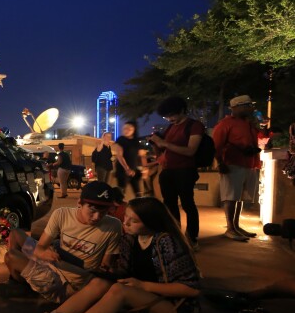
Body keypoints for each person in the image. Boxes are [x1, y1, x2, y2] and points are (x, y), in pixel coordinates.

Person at [25, 197, 204, 313]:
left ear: (151, 222)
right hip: (145, 299)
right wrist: (108, 272)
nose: (125, 223)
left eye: (133, 221)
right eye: (125, 217)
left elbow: (192, 289)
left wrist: (143, 286)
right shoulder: (130, 239)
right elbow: (125, 272)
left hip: (176, 311)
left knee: (120, 290)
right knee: (99, 282)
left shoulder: (167, 242)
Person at [0, 181, 122, 302]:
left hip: (65, 283)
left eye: (103, 212)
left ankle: (23, 283)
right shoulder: (62, 214)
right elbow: (41, 248)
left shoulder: (113, 226)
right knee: (15, 234)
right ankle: (19, 282)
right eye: (92, 210)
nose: (97, 217)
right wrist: (43, 253)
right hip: (51, 263)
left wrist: (106, 270)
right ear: (79, 203)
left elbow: (106, 265)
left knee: (11, 257)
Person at [148, 96, 204, 250]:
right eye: (167, 116)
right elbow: (162, 152)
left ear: (181, 110)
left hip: (185, 170)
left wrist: (165, 143)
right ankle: (175, 236)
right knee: (169, 205)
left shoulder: (194, 125)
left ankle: (192, 237)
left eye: (172, 115)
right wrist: (156, 144)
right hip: (168, 171)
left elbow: (191, 150)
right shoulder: (170, 128)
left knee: (188, 204)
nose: (170, 118)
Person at [212, 95, 261, 242]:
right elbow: (216, 146)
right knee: (231, 197)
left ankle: (236, 226)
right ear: (236, 107)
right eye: (247, 105)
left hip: (249, 164)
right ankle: (230, 228)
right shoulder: (225, 124)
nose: (250, 108)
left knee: (239, 197)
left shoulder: (249, 123)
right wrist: (220, 163)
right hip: (232, 164)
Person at [112, 121, 143, 198]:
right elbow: (119, 155)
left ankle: (139, 209)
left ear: (134, 129)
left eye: (129, 128)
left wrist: (143, 168)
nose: (126, 130)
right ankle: (120, 209)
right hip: (123, 170)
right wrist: (127, 169)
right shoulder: (121, 139)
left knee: (138, 193)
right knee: (121, 193)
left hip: (134, 170)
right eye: (125, 128)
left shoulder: (136, 141)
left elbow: (140, 156)